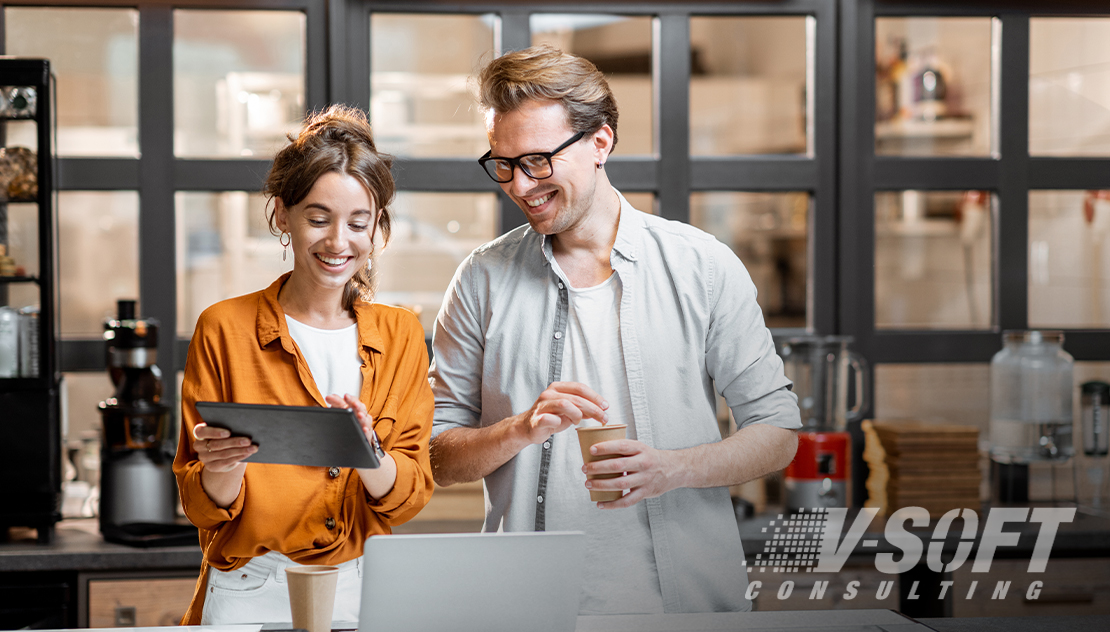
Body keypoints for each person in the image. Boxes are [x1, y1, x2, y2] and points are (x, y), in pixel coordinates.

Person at [428, 45, 800, 614]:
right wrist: (518, 430)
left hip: (686, 608)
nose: (520, 186)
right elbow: (435, 454)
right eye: (503, 164)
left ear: (600, 143)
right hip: (528, 609)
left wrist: (672, 468)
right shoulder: (482, 279)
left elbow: (777, 433)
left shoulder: (701, 265)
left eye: (537, 161)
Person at [173, 105, 434, 625]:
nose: (339, 242)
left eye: (359, 223)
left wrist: (368, 452)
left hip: (362, 588)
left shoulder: (401, 333)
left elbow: (406, 499)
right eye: (318, 219)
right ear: (281, 216)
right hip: (249, 585)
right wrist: (224, 467)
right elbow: (201, 507)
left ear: (377, 226)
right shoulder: (224, 327)